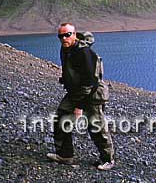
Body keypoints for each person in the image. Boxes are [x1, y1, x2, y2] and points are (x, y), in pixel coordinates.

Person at [47, 22, 115, 170]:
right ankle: (65, 155)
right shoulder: (66, 49)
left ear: (75, 35)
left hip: (92, 94)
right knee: (61, 119)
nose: (64, 38)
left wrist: (79, 106)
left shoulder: (83, 52)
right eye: (61, 36)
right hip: (76, 92)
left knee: (96, 127)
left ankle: (107, 159)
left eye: (67, 35)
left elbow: (90, 82)